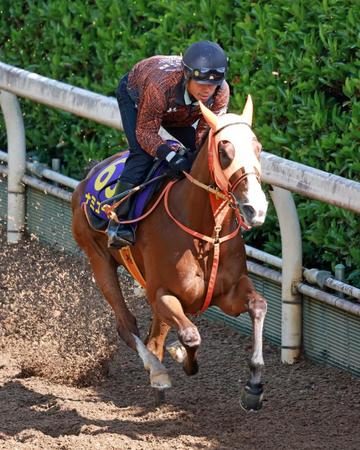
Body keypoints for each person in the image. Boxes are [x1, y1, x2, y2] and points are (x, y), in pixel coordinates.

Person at [107, 40, 230, 249]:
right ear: (186, 75)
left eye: (213, 84)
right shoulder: (159, 85)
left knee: (202, 153)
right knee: (142, 154)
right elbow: (145, 132)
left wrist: (192, 156)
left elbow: (203, 134)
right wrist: (171, 156)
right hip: (139, 97)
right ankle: (118, 219)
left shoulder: (221, 91)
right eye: (200, 83)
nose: (207, 90)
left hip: (177, 111)